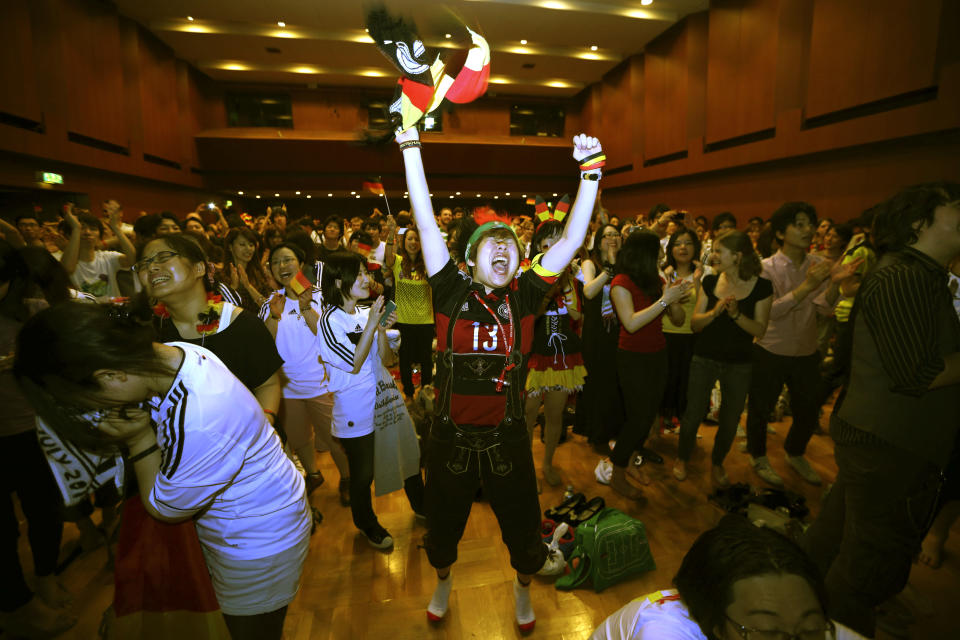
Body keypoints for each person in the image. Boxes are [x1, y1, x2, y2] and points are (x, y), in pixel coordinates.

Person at [397, 127, 601, 631]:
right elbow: (425, 226)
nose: (503, 249)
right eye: (491, 243)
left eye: (510, 243)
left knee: (524, 533)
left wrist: (590, 171)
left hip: (508, 438)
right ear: (468, 260)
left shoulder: (527, 295)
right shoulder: (449, 291)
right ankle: (443, 581)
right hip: (450, 440)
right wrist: (411, 148)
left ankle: (522, 588)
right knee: (442, 533)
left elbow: (573, 238)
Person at [14, 303, 310, 640]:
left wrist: (139, 438)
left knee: (249, 633)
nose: (98, 411)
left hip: (259, 540)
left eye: (90, 402)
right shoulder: (179, 355)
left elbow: (166, 508)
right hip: (251, 519)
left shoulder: (201, 414)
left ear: (110, 376)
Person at [801, 182, 960, 637]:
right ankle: (834, 626)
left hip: (884, 438)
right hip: (890, 443)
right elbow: (918, 373)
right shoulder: (903, 277)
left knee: (838, 541)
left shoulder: (921, 274)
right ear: (918, 222)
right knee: (867, 565)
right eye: (955, 207)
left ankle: (802, 609)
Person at [590, 515, 866, 640]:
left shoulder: (793, 621)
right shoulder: (665, 632)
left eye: (810, 629)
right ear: (715, 623)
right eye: (769, 634)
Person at [744, 203, 858, 487]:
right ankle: (758, 456)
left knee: (808, 409)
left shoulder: (818, 265)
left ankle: (795, 453)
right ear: (781, 233)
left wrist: (835, 285)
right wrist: (806, 287)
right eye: (800, 224)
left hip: (806, 350)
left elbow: (822, 310)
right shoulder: (765, 268)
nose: (809, 230)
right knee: (761, 408)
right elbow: (768, 311)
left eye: (811, 224)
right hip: (770, 348)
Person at [316, 250, 423, 550]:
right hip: (354, 408)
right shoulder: (330, 321)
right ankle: (366, 523)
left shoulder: (366, 312)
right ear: (339, 282)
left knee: (408, 451)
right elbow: (354, 362)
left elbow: (386, 360)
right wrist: (374, 323)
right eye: (360, 273)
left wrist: (378, 327)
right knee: (363, 474)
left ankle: (423, 506)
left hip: (385, 398)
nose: (367, 279)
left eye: (366, 272)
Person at [0, 240, 75, 638]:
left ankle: (45, 575)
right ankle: (17, 604)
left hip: (35, 427)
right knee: (3, 527)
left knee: (45, 509)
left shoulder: (33, 312)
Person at [136, 234, 281, 418]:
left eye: (163, 258)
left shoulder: (242, 324)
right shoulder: (147, 331)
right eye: (143, 264)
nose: (152, 267)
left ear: (199, 268)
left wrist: (263, 426)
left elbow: (268, 385)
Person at [673, 231, 772, 486]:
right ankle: (682, 458)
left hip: (739, 363)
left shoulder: (762, 287)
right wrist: (715, 313)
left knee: (730, 419)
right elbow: (695, 324)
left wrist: (737, 315)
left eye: (719, 251)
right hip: (704, 358)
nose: (713, 256)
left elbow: (760, 330)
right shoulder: (709, 283)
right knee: (693, 413)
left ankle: (717, 462)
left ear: (737, 256)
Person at [262, 242, 351, 506]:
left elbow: (328, 336)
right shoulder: (271, 302)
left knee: (335, 439)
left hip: (320, 383)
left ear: (300, 264)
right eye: (276, 262)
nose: (282, 266)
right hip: (287, 388)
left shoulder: (320, 296)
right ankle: (313, 474)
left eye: (287, 260)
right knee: (299, 439)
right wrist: (274, 316)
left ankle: (347, 478)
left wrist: (304, 306)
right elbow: (266, 344)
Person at [609, 230, 691, 498]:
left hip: (658, 354)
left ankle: (631, 462)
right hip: (632, 358)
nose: (661, 254)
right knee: (637, 419)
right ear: (644, 253)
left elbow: (677, 320)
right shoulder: (620, 283)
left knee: (648, 417)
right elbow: (631, 323)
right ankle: (617, 475)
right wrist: (665, 299)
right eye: (657, 250)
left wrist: (674, 298)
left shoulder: (656, 280)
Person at [523, 218, 586, 487]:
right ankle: (526, 469)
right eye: (548, 244)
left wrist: (568, 285)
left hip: (563, 358)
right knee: (527, 415)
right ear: (538, 247)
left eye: (559, 244)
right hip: (535, 357)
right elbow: (530, 315)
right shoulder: (528, 279)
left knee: (555, 415)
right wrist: (549, 291)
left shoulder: (571, 281)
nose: (553, 250)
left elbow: (576, 314)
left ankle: (548, 464)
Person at [579, 223, 625, 455]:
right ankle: (597, 433)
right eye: (607, 236)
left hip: (621, 329)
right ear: (598, 242)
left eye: (616, 235)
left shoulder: (626, 266)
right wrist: (608, 268)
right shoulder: (590, 264)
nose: (613, 239)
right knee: (598, 382)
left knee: (617, 381)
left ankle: (615, 429)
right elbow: (589, 292)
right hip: (597, 331)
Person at [384, 224, 435, 399]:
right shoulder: (397, 261)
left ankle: (426, 393)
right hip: (404, 320)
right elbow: (388, 256)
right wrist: (391, 232)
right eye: (410, 238)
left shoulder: (429, 263)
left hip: (426, 321)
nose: (413, 242)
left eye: (417, 239)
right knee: (404, 360)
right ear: (404, 241)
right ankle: (409, 395)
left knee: (426, 360)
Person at [660, 228, 703, 431]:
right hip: (665, 335)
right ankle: (661, 424)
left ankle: (685, 428)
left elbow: (706, 305)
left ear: (696, 247)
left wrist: (697, 280)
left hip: (693, 337)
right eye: (677, 243)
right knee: (666, 384)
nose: (683, 247)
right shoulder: (664, 273)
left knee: (688, 386)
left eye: (688, 243)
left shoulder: (706, 274)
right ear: (671, 249)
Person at [61, 200, 136, 301]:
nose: (87, 232)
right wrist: (75, 228)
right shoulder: (67, 259)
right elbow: (67, 269)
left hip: (111, 312)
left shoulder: (107, 257)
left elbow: (132, 260)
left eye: (93, 229)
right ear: (70, 235)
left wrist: (116, 228)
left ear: (100, 236)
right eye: (82, 228)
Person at [224, 227, 273, 311]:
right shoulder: (221, 275)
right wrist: (233, 288)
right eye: (242, 245)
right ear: (230, 247)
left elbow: (270, 308)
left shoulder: (259, 274)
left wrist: (248, 286)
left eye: (251, 245)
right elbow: (218, 310)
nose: (248, 249)